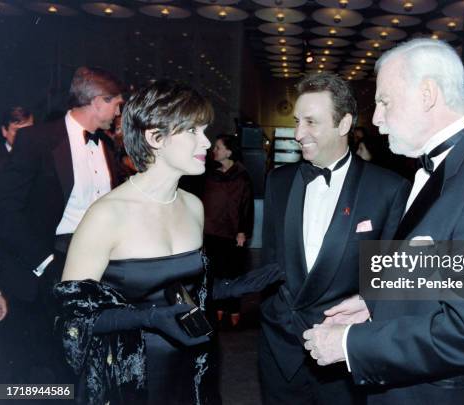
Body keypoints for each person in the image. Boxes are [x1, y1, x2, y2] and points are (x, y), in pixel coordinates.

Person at [303, 39, 464, 405]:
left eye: (384, 102)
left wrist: (349, 342)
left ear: (427, 94)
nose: (376, 118)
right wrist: (375, 302)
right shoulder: (443, 166)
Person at [54, 80, 220, 404]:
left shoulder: (193, 206)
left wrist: (229, 288)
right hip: (128, 378)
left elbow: (183, 289)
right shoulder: (107, 215)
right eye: (193, 131)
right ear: (155, 137)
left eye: (205, 130)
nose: (207, 142)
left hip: (190, 369)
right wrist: (146, 318)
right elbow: (71, 318)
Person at [259, 72, 410, 404]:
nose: (299, 133)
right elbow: (269, 260)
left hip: (342, 357)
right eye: (298, 121)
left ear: (343, 124)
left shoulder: (387, 188)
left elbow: (391, 278)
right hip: (278, 348)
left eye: (311, 122)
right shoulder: (278, 182)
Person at [0, 67, 123, 383]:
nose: (119, 112)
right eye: (116, 104)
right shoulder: (36, 139)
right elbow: (6, 209)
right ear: (97, 102)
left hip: (98, 268)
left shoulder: (107, 146)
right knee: (46, 365)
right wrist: (43, 262)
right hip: (48, 265)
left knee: (87, 360)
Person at [202, 134, 254, 327]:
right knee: (212, 272)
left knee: (232, 273)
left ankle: (233, 308)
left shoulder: (241, 174)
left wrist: (243, 231)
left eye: (218, 147)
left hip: (232, 232)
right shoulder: (209, 172)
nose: (213, 151)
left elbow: (246, 204)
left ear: (229, 151)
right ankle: (217, 308)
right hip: (210, 230)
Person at [0, 106, 33, 171]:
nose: (25, 135)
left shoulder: (41, 153)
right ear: (4, 131)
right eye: (18, 131)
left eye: (29, 130)